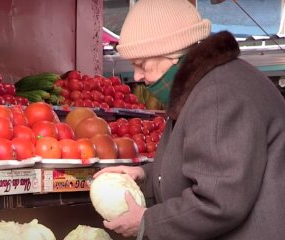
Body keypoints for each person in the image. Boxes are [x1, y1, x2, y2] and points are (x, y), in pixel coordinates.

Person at [94, 0, 285, 239]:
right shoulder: (202, 85)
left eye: (141, 64)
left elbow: (218, 201)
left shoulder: (217, 94)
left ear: (172, 54)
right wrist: (145, 176)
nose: (137, 76)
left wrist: (147, 222)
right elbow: (201, 168)